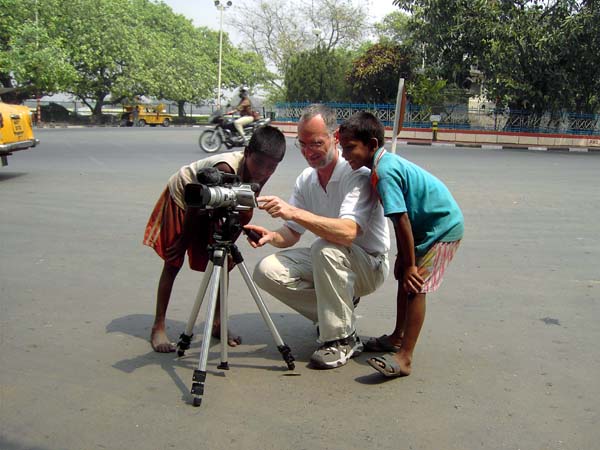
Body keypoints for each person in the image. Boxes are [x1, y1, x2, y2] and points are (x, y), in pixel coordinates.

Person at [245, 104, 390, 370]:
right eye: (302, 144)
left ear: (335, 137)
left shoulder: (356, 173)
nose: (308, 152)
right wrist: (271, 236)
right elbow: (291, 232)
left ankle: (341, 340)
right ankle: (336, 316)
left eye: (316, 143)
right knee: (266, 271)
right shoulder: (306, 179)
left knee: (325, 247)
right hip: (330, 261)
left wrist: (294, 212)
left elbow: (348, 232)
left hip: (369, 264)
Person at [337, 111, 464, 377]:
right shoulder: (381, 165)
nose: (345, 154)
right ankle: (397, 337)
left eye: (350, 148)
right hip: (423, 229)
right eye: (343, 148)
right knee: (404, 279)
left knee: (416, 286)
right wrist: (403, 259)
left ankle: (405, 356)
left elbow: (402, 219)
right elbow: (403, 220)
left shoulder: (384, 172)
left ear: (372, 145)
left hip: (442, 229)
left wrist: (410, 265)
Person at [143, 125, 286, 353]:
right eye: (259, 163)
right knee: (173, 261)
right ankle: (158, 325)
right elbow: (196, 205)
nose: (264, 171)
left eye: (272, 167)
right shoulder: (224, 167)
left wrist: (240, 231)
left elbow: (246, 201)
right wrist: (182, 242)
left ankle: (218, 323)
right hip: (187, 197)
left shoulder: (264, 170)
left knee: (225, 261)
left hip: (219, 204)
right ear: (247, 152)